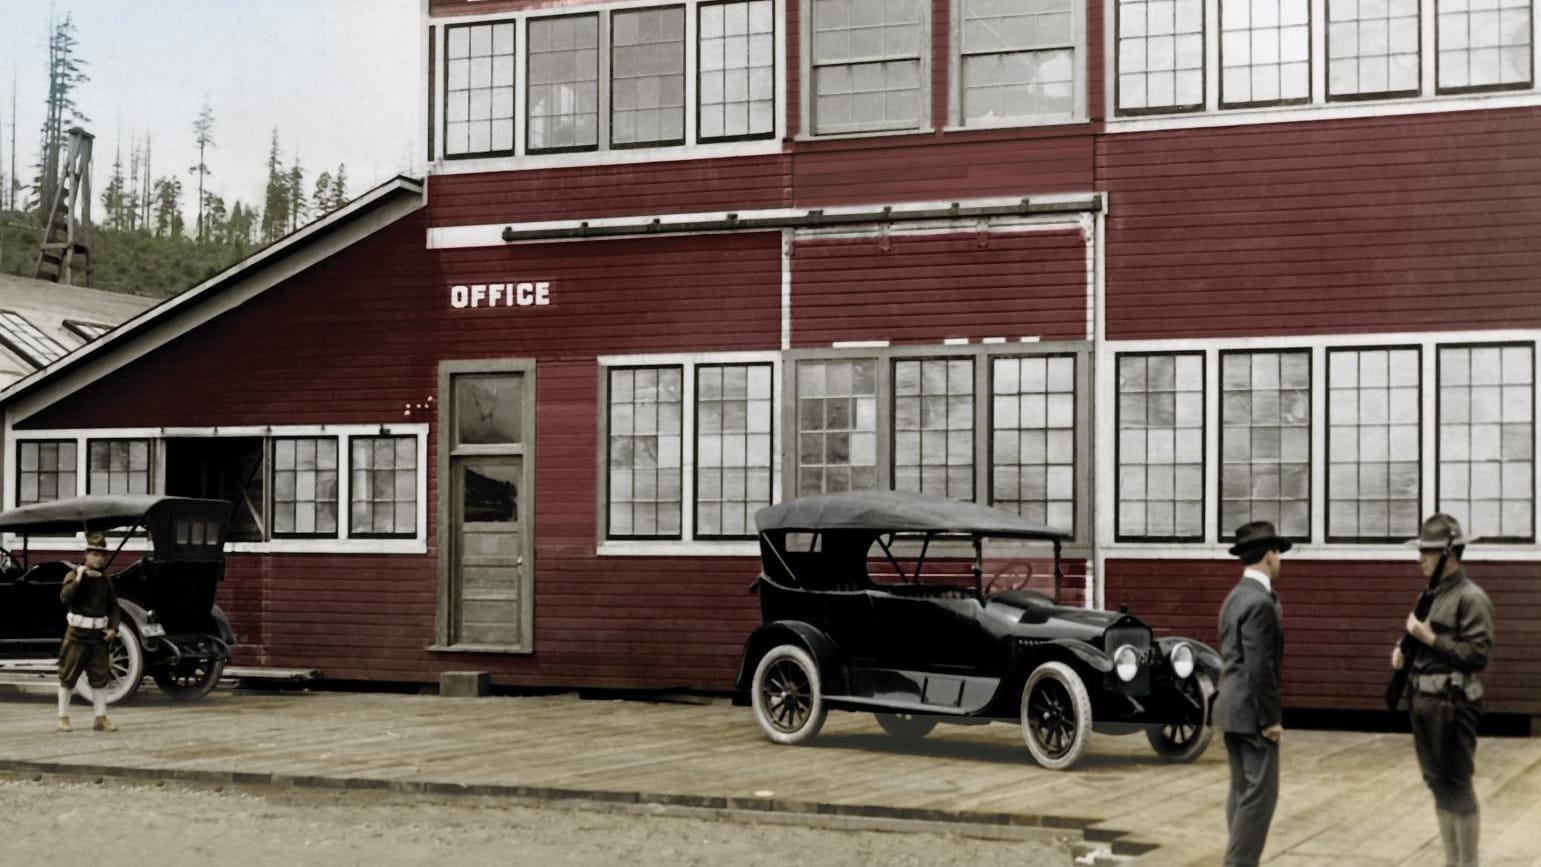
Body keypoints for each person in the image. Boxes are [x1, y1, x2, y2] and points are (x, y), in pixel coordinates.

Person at [1392, 514, 1493, 867]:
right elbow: (1420, 639)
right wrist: (1404, 651)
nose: (1420, 558)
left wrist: (1428, 638)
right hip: (1423, 701)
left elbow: (1476, 654)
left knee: (1458, 785)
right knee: (1437, 783)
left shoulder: (1471, 598)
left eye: (1427, 551)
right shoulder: (1431, 596)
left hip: (1453, 702)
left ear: (1448, 555)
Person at [1214, 520, 1289, 867]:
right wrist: (1271, 718)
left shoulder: (1234, 597)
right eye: (1279, 553)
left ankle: (1239, 859)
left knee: (1242, 791)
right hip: (1253, 713)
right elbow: (1260, 667)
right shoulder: (1260, 602)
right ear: (1269, 555)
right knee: (1260, 797)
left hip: (1231, 710)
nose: (1281, 561)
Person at [56, 531, 121, 733]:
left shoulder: (105, 581)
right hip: (77, 634)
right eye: (94, 554)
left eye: (102, 555)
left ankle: (100, 717)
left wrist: (113, 628)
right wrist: (78, 579)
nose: (98, 558)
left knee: (100, 677)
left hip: (97, 636)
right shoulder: (74, 575)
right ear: (86, 554)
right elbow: (65, 598)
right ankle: (63, 717)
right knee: (68, 677)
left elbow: (113, 607)